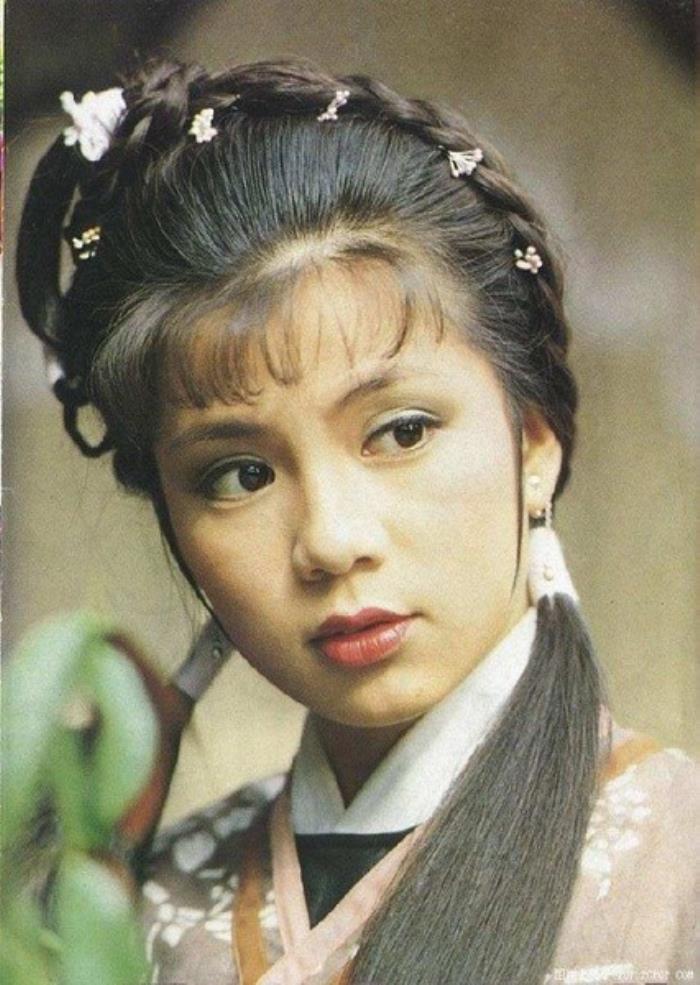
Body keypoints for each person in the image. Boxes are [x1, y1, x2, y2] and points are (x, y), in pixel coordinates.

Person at [16, 56, 698, 985]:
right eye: (240, 474)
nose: (333, 541)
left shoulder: (680, 867)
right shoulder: (133, 915)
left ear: (533, 443)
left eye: (402, 430)